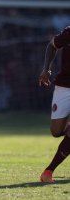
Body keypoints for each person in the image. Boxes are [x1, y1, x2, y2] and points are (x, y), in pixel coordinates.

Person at [38, 25, 70, 183]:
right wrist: (46, 69)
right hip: (64, 86)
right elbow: (52, 45)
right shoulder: (69, 32)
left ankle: (48, 171)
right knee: (56, 131)